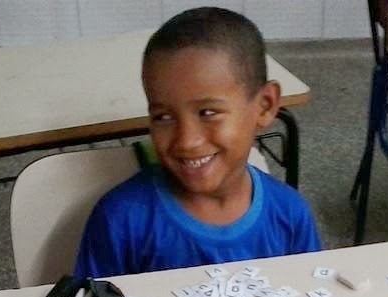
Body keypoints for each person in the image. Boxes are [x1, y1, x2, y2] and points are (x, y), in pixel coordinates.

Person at [75, 7, 321, 279]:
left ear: (265, 105)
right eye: (163, 117)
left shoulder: (290, 214)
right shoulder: (120, 220)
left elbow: (312, 293)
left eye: (208, 112)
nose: (186, 141)